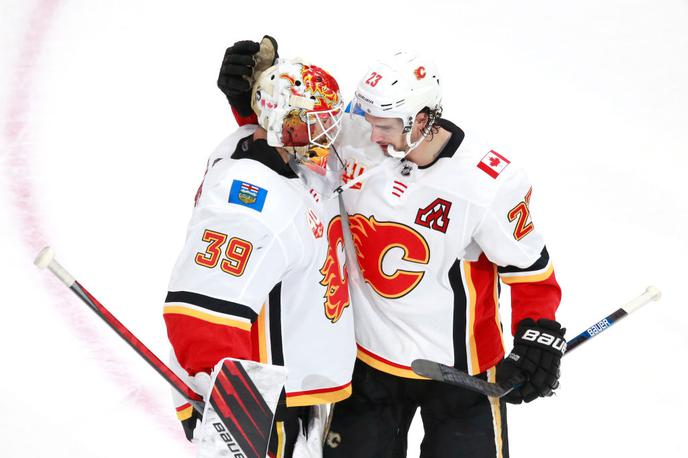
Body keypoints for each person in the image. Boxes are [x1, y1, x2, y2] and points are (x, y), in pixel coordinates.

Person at [219, 38, 564, 458]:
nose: (370, 132)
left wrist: (537, 336)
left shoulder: (486, 182)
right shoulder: (356, 136)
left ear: (422, 121)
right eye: (368, 119)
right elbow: (289, 134)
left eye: (385, 125)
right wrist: (247, 103)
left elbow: (530, 270)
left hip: (462, 374)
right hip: (368, 364)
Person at [164, 51, 356, 458]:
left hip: (299, 394)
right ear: (280, 127)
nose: (327, 133)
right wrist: (237, 413)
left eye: (327, 120)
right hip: (264, 405)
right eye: (312, 123)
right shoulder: (251, 205)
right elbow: (201, 314)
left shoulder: (275, 155)